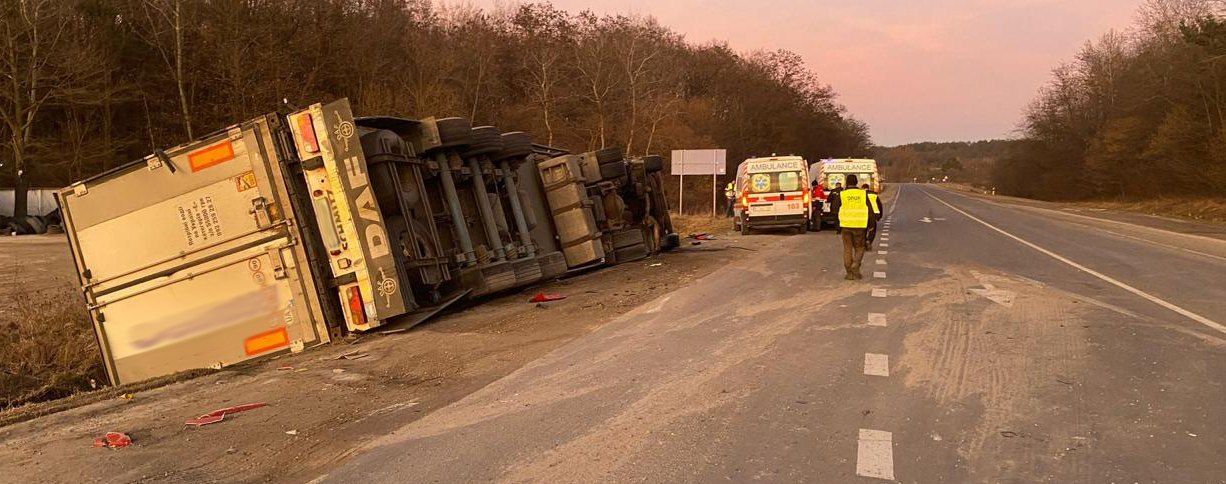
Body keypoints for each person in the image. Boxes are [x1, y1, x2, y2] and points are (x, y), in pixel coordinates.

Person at [829, 175, 878, 280]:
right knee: (860, 248)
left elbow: (834, 209)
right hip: (860, 225)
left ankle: (849, 272)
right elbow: (870, 210)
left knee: (847, 249)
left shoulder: (842, 194)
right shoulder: (863, 194)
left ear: (847, 182)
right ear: (856, 183)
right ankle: (855, 265)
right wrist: (871, 225)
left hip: (846, 225)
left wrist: (838, 221)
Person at [864, 184, 883, 251]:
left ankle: (864, 241)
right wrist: (880, 215)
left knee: (864, 230)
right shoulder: (874, 195)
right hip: (874, 214)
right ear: (868, 188)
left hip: (864, 213)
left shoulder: (861, 195)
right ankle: (869, 241)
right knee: (872, 230)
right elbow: (880, 205)